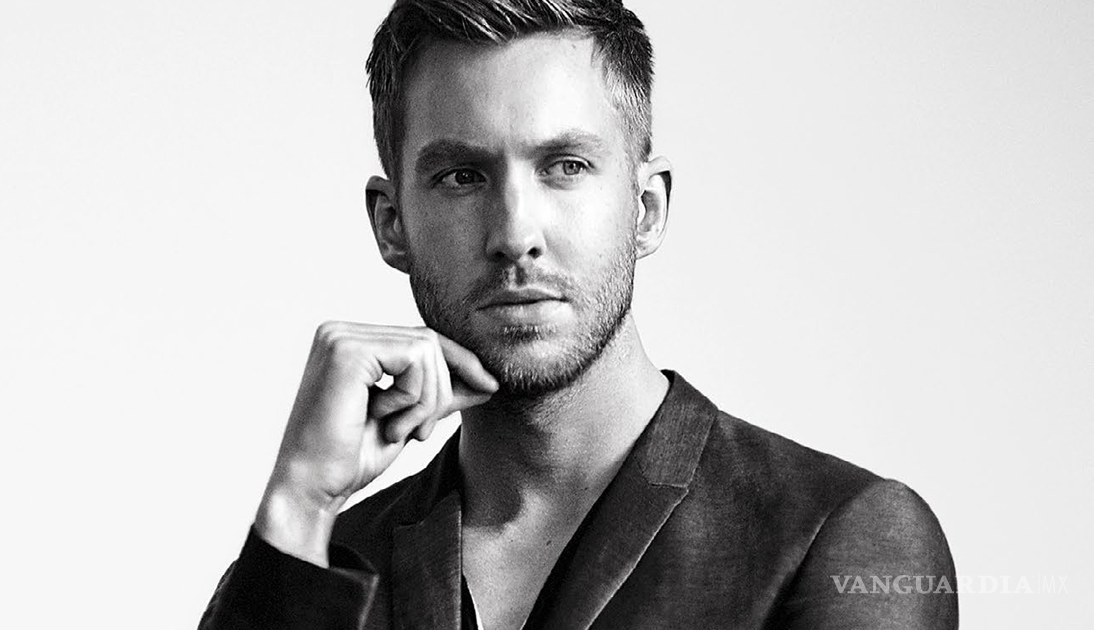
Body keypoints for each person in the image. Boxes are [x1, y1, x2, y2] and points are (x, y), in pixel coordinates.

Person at [199, 1, 958, 628]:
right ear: (391, 224)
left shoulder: (844, 535)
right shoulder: (317, 571)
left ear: (646, 208)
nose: (515, 234)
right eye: (462, 176)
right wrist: (300, 503)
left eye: (566, 167)